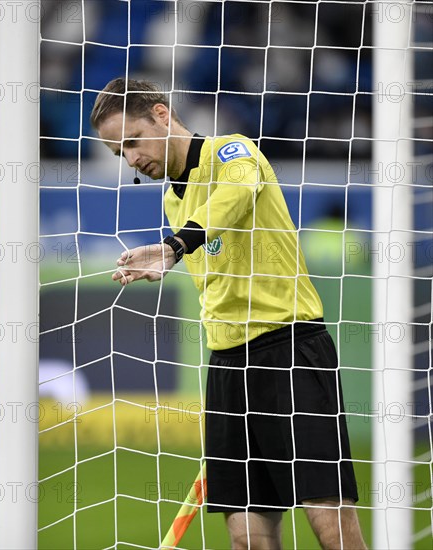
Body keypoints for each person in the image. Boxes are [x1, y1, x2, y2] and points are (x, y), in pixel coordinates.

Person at [91, 78, 366, 550]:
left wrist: (174, 247)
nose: (132, 159)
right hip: (227, 366)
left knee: (329, 521)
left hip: (289, 350)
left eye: (132, 142)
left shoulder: (231, 153)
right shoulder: (172, 198)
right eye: (120, 154)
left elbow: (232, 200)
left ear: (161, 114)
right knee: (246, 538)